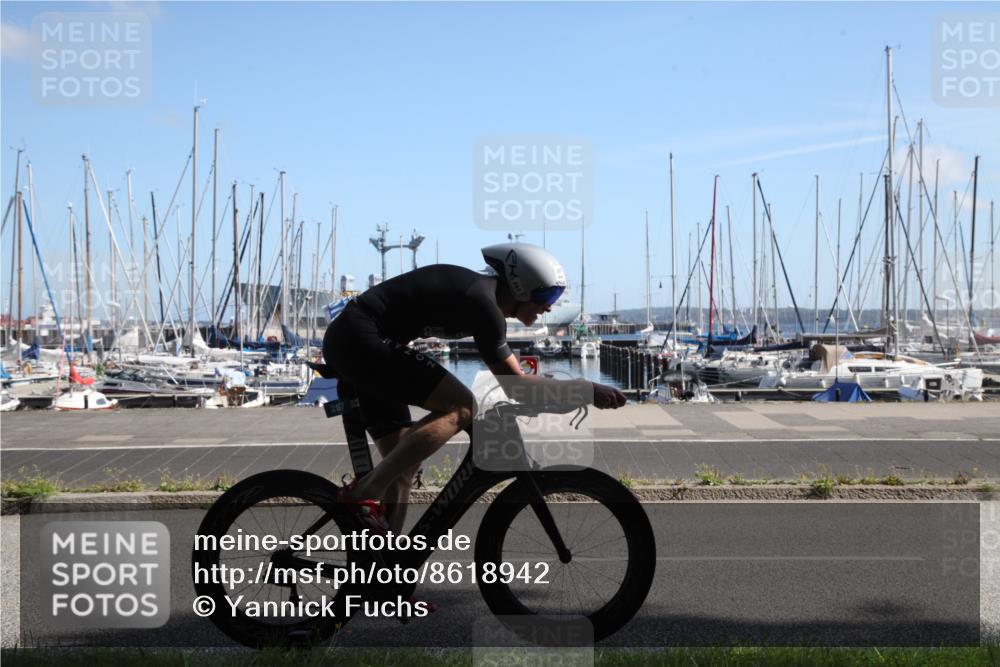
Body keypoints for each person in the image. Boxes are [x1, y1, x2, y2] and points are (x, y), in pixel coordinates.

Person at [322, 242, 627, 535]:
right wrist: (587, 390)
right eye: (546, 295)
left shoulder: (484, 300)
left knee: (401, 467)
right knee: (463, 406)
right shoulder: (484, 304)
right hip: (359, 339)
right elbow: (517, 386)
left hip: (358, 342)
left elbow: (517, 382)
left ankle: (384, 566)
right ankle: (364, 492)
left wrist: (564, 393)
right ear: (520, 286)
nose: (548, 306)